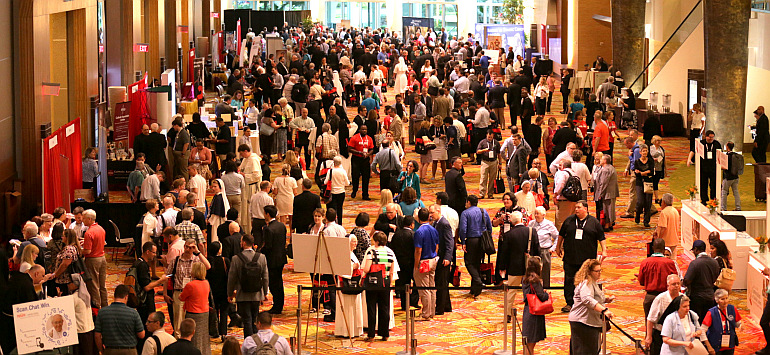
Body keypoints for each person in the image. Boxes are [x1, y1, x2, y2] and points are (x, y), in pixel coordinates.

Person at [556, 200, 607, 313]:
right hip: (570, 257)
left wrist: (604, 251)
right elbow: (561, 234)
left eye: (579, 207)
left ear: (586, 209)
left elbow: (601, 237)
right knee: (569, 280)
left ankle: (586, 302)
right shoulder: (569, 220)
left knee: (586, 281)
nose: (576, 209)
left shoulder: (594, 222)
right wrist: (558, 247)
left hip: (587, 260)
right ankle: (570, 303)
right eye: (576, 207)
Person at [165, 239, 211, 337]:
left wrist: (198, 252)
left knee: (192, 320)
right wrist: (165, 293)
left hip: (193, 294)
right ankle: (179, 341)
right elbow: (166, 278)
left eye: (191, 247)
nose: (188, 249)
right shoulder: (176, 260)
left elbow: (208, 266)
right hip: (179, 293)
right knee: (178, 321)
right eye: (186, 246)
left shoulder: (197, 260)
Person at [568, 259, 615, 354]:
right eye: (597, 271)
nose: (599, 273)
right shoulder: (587, 283)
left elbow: (592, 297)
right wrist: (604, 310)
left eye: (600, 270)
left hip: (588, 322)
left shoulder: (592, 282)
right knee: (584, 351)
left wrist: (605, 299)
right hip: (582, 322)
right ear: (589, 272)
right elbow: (586, 299)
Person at [227, 234, 269, 337]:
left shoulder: (236, 259)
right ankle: (256, 341)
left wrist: (230, 293)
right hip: (257, 294)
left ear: (244, 243)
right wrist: (265, 292)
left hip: (242, 294)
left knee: (247, 320)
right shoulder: (261, 257)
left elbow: (231, 278)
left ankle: (248, 343)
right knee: (255, 319)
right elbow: (265, 277)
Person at [497, 211, 540, 310]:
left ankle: (507, 314)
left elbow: (504, 254)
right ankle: (532, 311)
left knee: (511, 292)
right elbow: (537, 250)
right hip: (530, 267)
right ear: (522, 220)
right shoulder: (531, 231)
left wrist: (502, 268)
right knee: (531, 291)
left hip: (514, 268)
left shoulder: (508, 235)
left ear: (512, 222)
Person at [0, 264, 45, 354]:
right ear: (36, 274)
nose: (42, 279)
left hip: (5, 318)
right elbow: (31, 306)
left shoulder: (20, 277)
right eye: (42, 276)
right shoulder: (27, 285)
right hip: (12, 324)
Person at [362, 231, 396, 341]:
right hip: (385, 281)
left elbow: (367, 268)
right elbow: (392, 271)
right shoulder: (390, 252)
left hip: (373, 281)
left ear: (376, 241)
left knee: (371, 307)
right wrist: (390, 283)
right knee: (385, 308)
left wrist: (362, 276)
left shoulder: (371, 251)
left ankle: (371, 334)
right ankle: (384, 333)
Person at [94, 285, 146, 355]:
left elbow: (97, 335)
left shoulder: (102, 312)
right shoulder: (133, 313)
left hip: (110, 350)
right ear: (126, 297)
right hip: (129, 351)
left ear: (114, 296)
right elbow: (141, 335)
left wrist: (101, 350)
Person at [458, 195, 493, 297]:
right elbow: (489, 227)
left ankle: (478, 281)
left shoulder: (465, 213)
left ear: (468, 202)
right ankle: (475, 290)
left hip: (471, 240)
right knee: (477, 263)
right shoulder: (483, 211)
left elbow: (463, 229)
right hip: (482, 240)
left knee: (469, 263)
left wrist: (463, 242)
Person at [640, 238, 679, 318]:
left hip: (649, 297)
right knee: (666, 324)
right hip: (665, 297)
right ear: (664, 249)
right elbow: (676, 280)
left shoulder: (645, 262)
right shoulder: (670, 263)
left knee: (649, 324)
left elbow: (641, 281)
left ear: (653, 248)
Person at [179, 262, 211, 355]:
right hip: (205, 312)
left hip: (193, 313)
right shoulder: (206, 283)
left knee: (194, 337)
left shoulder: (191, 285)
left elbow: (181, 297)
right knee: (204, 337)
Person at [413, 208, 439, 321]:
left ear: (418, 218)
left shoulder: (419, 232)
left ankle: (426, 314)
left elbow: (418, 250)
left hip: (423, 261)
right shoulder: (433, 229)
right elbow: (437, 246)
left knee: (424, 289)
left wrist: (416, 264)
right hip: (433, 260)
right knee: (431, 287)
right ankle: (431, 311)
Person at [684, 240, 720, 320]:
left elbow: (687, 280)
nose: (693, 252)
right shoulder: (714, 262)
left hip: (697, 298)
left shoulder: (695, 263)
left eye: (693, 250)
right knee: (708, 321)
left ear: (696, 249)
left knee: (697, 322)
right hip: (710, 297)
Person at [646, 275, 682, 355]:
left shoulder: (683, 298)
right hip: (660, 335)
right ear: (668, 286)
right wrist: (648, 337)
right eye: (674, 284)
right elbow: (650, 319)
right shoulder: (660, 299)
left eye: (678, 284)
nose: (677, 286)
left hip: (677, 335)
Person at [133, 242, 167, 323]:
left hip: (141, 300)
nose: (155, 255)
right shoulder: (142, 266)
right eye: (154, 252)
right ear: (147, 252)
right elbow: (147, 287)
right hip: (145, 302)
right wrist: (160, 281)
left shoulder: (138, 262)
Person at [262, 205, 287, 314]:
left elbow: (268, 246)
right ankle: (279, 304)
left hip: (272, 260)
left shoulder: (268, 229)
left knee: (273, 283)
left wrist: (259, 252)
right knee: (279, 282)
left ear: (268, 214)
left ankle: (277, 306)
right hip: (281, 258)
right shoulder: (281, 225)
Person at [521, 257, 549, 354]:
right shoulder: (535, 279)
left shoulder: (525, 278)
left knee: (528, 342)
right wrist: (546, 294)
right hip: (534, 312)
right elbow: (541, 296)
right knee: (531, 343)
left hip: (527, 310)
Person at [701, 289, 739, 354]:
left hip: (730, 345)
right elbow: (702, 331)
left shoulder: (732, 309)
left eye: (726, 298)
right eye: (722, 299)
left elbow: (738, 323)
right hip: (715, 347)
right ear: (717, 300)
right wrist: (709, 347)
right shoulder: (711, 313)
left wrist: (741, 325)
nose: (725, 301)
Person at [82, 209, 108, 308]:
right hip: (102, 258)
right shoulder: (101, 229)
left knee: (94, 285)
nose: (83, 220)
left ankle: (97, 309)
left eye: (84, 218)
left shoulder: (88, 233)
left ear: (89, 219)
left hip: (92, 260)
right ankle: (105, 305)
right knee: (102, 285)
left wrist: (78, 250)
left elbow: (87, 251)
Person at [688, 130, 721, 205]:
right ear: (706, 136)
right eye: (709, 137)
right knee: (703, 185)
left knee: (713, 185)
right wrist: (689, 159)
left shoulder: (716, 144)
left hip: (713, 168)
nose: (711, 139)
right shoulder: (701, 143)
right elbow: (693, 151)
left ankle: (713, 199)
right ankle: (704, 199)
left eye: (712, 137)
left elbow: (721, 154)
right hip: (703, 168)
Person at [528, 206, 558, 287]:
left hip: (545, 250)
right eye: (535, 213)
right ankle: (533, 288)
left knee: (545, 271)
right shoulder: (531, 223)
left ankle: (546, 288)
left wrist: (553, 248)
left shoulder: (549, 224)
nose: (536, 215)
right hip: (534, 250)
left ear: (543, 215)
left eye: (538, 214)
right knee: (533, 271)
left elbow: (557, 237)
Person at [348, 124, 374, 200]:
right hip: (356, 159)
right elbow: (349, 148)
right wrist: (359, 152)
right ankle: (354, 190)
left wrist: (368, 154)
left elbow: (372, 149)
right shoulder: (354, 138)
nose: (364, 131)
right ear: (359, 130)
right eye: (362, 129)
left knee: (366, 177)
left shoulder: (369, 138)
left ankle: (365, 194)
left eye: (365, 129)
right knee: (355, 176)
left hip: (365, 160)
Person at [594, 154, 619, 231]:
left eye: (601, 159)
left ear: (604, 161)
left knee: (607, 210)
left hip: (607, 193)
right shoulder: (611, 168)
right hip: (611, 192)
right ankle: (610, 224)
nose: (600, 161)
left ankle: (607, 226)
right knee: (610, 209)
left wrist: (600, 194)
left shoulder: (605, 170)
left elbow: (603, 183)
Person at [476, 130, 502, 199]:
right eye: (488, 136)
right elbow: (478, 151)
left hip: (494, 162)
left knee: (492, 179)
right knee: (483, 178)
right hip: (485, 162)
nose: (490, 138)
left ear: (493, 135)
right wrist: (484, 150)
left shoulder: (496, 142)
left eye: (491, 136)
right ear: (486, 135)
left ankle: (490, 194)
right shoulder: (482, 142)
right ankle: (482, 193)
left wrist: (500, 163)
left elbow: (499, 153)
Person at [653, 193, 680, 260]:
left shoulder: (664, 212)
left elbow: (663, 227)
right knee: (673, 260)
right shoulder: (675, 211)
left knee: (664, 261)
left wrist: (658, 239)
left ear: (664, 202)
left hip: (666, 242)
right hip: (674, 240)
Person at [325, 156, 349, 224]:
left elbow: (325, 182)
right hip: (341, 192)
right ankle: (340, 223)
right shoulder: (343, 171)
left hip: (332, 193)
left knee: (333, 209)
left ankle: (333, 223)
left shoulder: (331, 171)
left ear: (334, 162)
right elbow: (347, 183)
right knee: (340, 208)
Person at [635, 143, 655, 227]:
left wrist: (642, 173)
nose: (645, 152)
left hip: (649, 183)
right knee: (640, 202)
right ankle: (638, 214)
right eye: (643, 151)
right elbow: (636, 173)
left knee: (648, 202)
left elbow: (652, 171)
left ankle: (646, 221)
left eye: (646, 151)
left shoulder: (650, 161)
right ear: (640, 152)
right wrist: (645, 173)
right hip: (639, 183)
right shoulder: (637, 161)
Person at [249, 181, 274, 246]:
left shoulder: (253, 196)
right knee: (265, 240)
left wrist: (251, 220)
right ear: (267, 188)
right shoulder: (268, 198)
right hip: (265, 221)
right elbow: (271, 211)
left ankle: (257, 253)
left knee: (256, 240)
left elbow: (250, 210)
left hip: (255, 220)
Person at [721, 142, 742, 211]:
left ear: (727, 147)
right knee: (736, 192)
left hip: (728, 177)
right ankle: (738, 207)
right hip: (736, 177)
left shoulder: (727, 156)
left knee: (724, 192)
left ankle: (723, 208)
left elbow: (725, 167)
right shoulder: (736, 156)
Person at [650, 135, 666, 204]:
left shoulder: (661, 149)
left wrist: (665, 169)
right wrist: (653, 159)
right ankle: (650, 198)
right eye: (658, 141)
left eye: (660, 141)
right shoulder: (650, 148)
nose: (659, 142)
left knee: (656, 183)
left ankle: (656, 198)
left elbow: (664, 159)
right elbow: (648, 158)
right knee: (651, 183)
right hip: (652, 168)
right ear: (654, 141)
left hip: (659, 168)